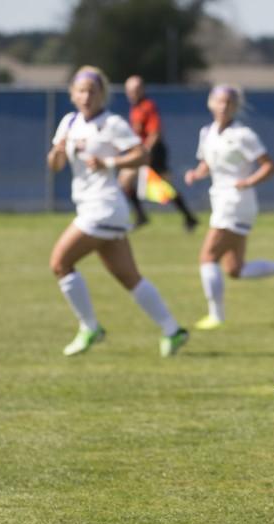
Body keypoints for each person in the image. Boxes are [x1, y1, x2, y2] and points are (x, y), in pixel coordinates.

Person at [47, 66, 189, 358]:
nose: (87, 96)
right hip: (92, 207)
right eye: (81, 90)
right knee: (130, 277)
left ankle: (90, 327)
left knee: (60, 263)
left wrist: (109, 163)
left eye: (93, 91)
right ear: (73, 95)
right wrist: (57, 152)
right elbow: (55, 166)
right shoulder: (69, 122)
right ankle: (173, 330)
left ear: (102, 95)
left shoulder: (112, 123)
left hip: (104, 207)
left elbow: (143, 154)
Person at [185, 84, 274, 330]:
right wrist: (196, 174)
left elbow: (269, 166)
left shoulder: (243, 134)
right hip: (221, 200)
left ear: (236, 107)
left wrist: (247, 181)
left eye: (230, 103)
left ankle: (216, 315)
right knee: (235, 269)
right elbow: (206, 164)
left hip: (235, 202)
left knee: (207, 257)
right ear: (210, 104)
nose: (224, 106)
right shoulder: (207, 132)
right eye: (220, 101)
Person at [119, 75, 199, 231]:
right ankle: (141, 215)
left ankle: (189, 217)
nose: (132, 93)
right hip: (141, 151)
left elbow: (155, 133)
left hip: (154, 152)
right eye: (129, 90)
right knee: (124, 182)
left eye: (135, 90)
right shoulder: (134, 108)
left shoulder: (147, 106)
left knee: (164, 186)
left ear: (142, 90)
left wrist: (145, 152)